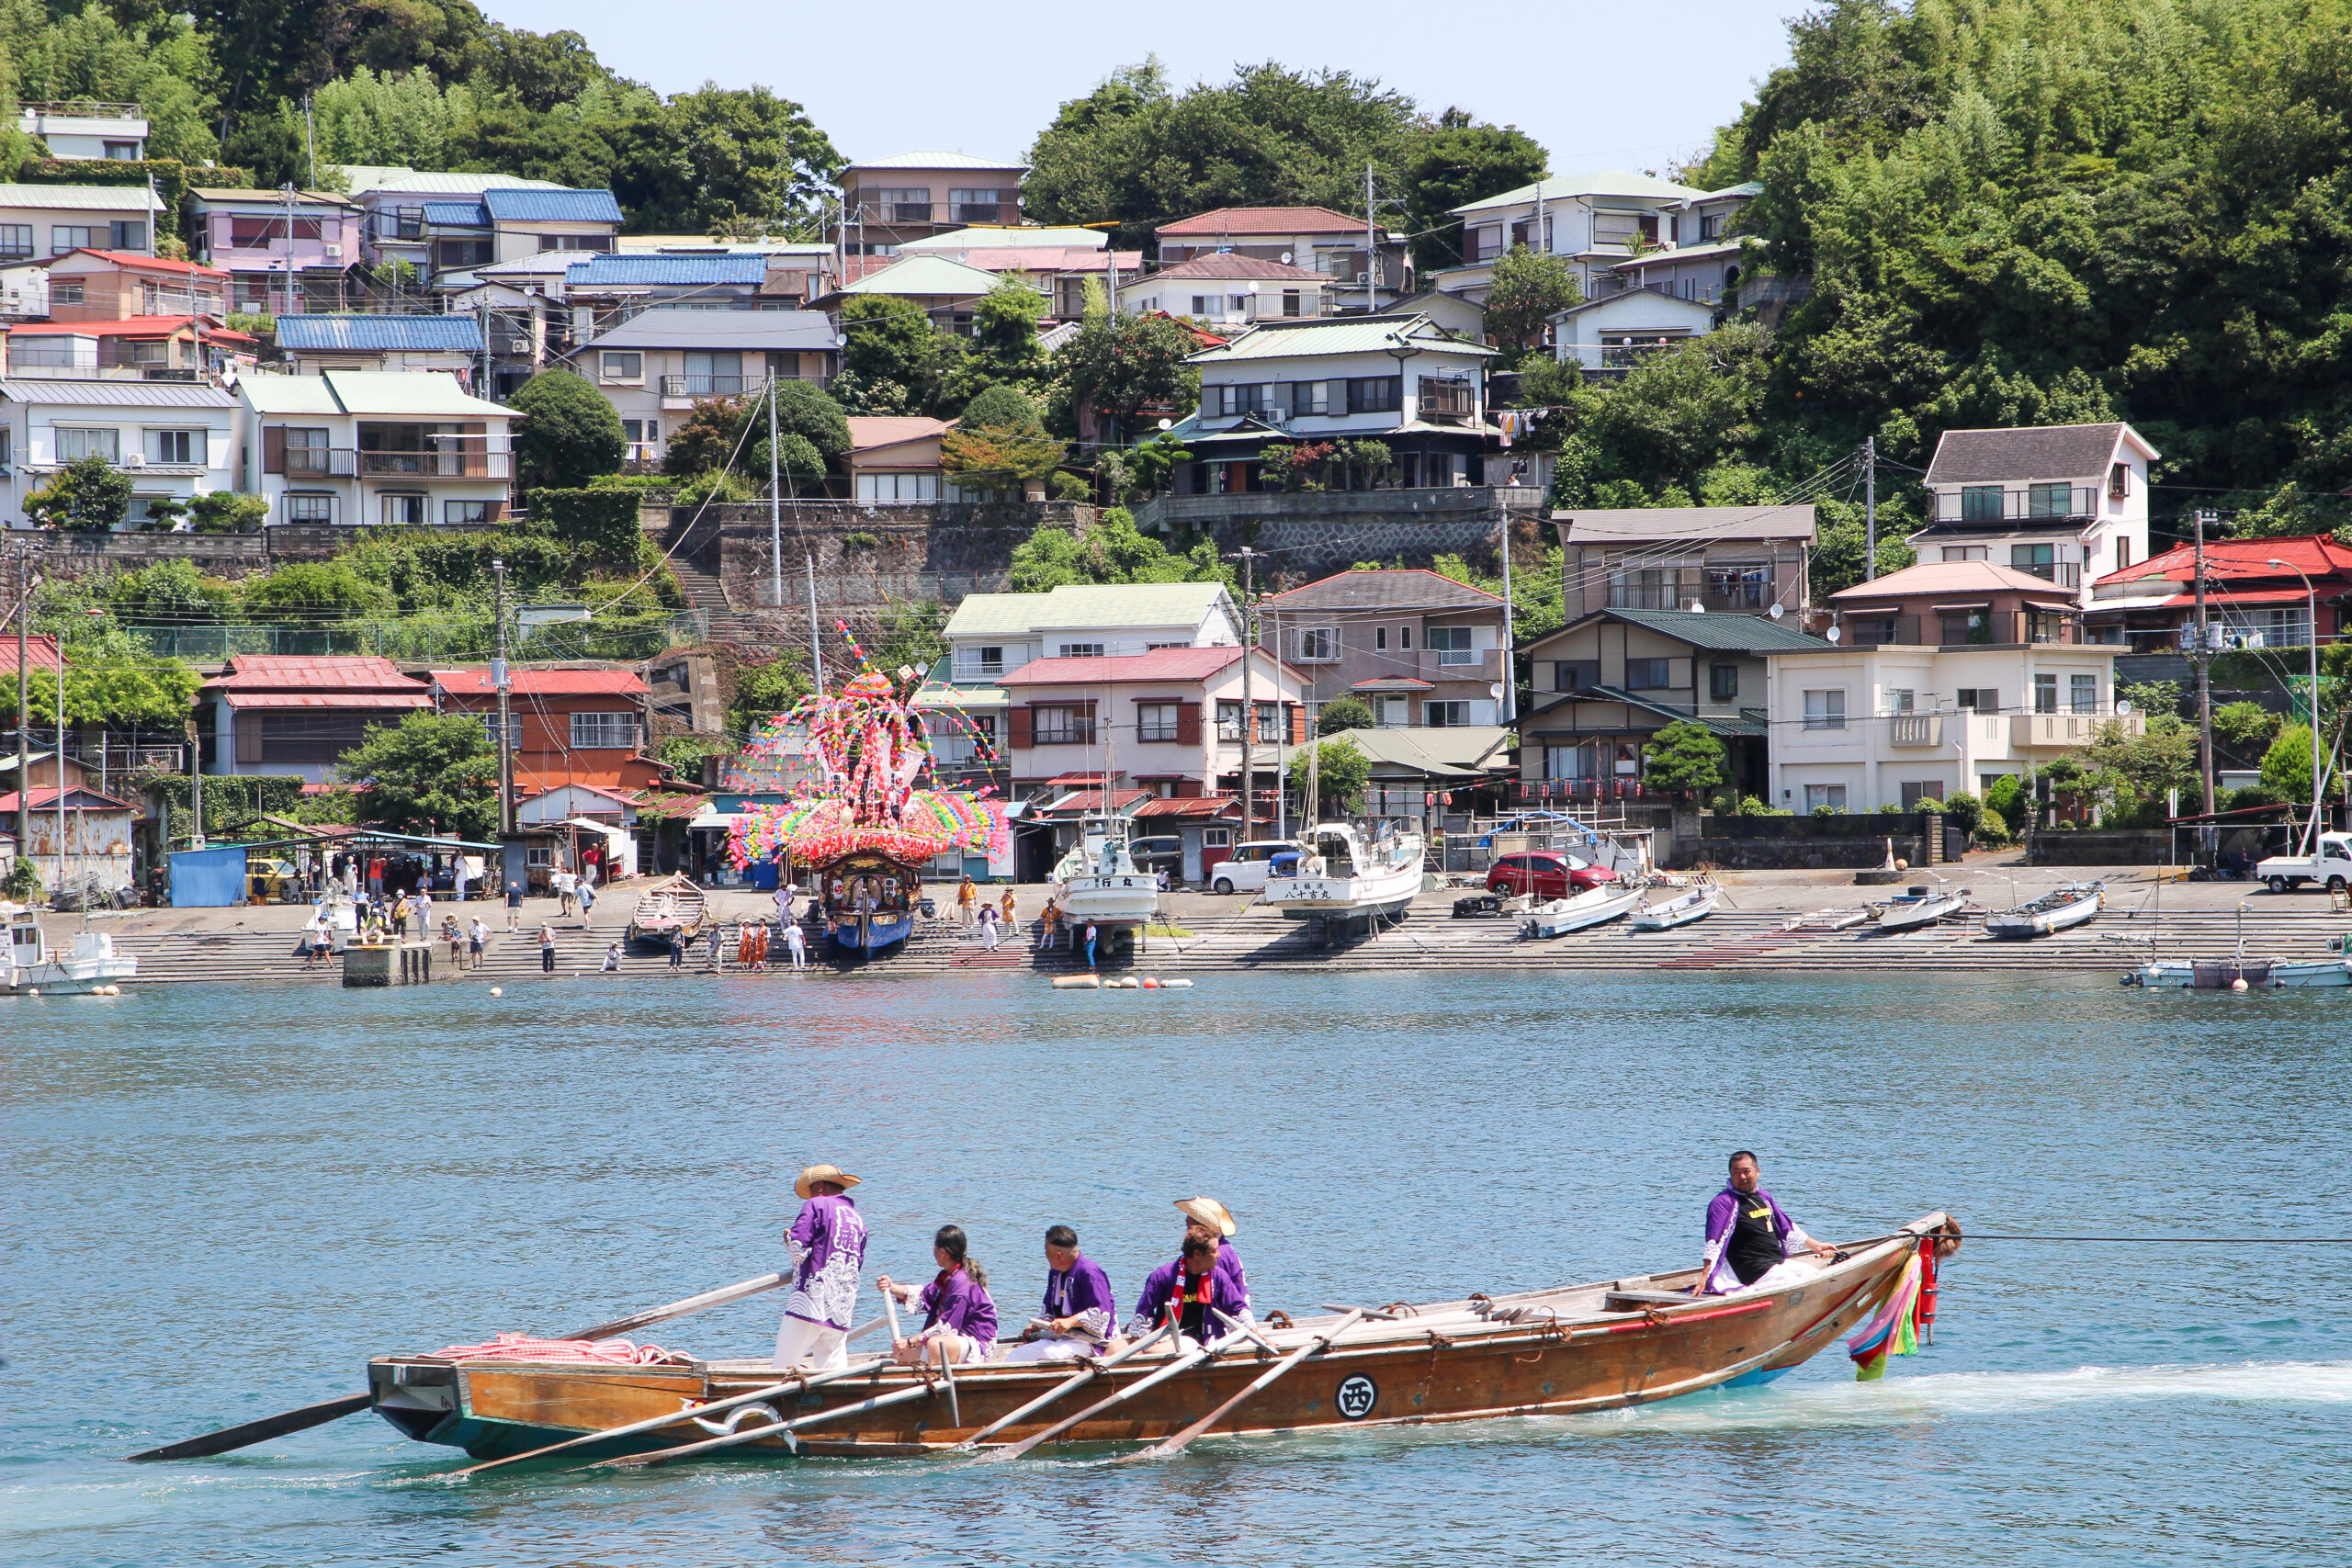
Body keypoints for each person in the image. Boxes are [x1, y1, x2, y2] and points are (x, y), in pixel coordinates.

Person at [1696, 1150, 1837, 1296]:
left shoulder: (1763, 1197)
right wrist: (1706, 1275)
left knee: (1814, 1275)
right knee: (1793, 1283)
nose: (1742, 1177)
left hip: (1775, 1262)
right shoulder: (1722, 1203)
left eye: (1746, 1171)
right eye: (1736, 1172)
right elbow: (1714, 1241)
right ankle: (1750, 1293)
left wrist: (1817, 1246)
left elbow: (1786, 1226)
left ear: (1757, 1172)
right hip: (1751, 1268)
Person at [776, 1164, 869, 1371]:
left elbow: (798, 1250)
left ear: (818, 1187)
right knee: (833, 1370)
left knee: (783, 1365)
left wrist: (789, 1238)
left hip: (810, 1301)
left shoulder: (816, 1205)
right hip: (842, 1305)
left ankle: (770, 1401)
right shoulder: (857, 1219)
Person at [878, 1224, 999, 1366]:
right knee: (900, 1355)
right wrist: (892, 1288)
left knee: (936, 1344)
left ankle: (935, 1378)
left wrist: (910, 1342)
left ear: (942, 1252)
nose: (933, 1252)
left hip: (976, 1342)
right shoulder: (948, 1277)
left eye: (934, 1249)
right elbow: (926, 1296)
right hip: (955, 1340)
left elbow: (946, 1327)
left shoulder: (962, 1282)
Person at [1003, 1224, 1117, 1364]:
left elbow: (1101, 1314)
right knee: (1017, 1355)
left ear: (1058, 1255)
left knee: (1049, 1354)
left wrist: (1070, 1321)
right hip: (1063, 1338)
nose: (1045, 1255)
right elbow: (1049, 1309)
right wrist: (1038, 1325)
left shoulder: (1090, 1272)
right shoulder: (1055, 1272)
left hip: (1092, 1342)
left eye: (1046, 1251)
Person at [1127, 1234, 1250, 1351]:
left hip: (1200, 1339)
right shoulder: (1162, 1275)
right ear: (1197, 1254)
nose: (1218, 1254)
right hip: (1165, 1336)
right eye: (1214, 1251)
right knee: (1114, 1347)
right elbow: (1144, 1311)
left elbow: (1237, 1307)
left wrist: (1255, 1333)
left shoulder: (1219, 1276)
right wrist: (1136, 1344)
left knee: (1154, 1351)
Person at [1175, 1197, 1250, 1305]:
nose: (1187, 1231)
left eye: (1189, 1226)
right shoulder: (1225, 1247)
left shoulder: (1214, 1254)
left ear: (1200, 1228)